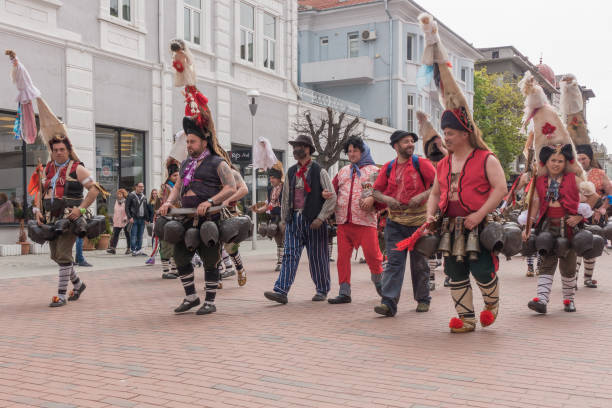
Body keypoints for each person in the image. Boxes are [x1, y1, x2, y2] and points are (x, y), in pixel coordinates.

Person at [158, 116, 236, 315]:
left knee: (211, 259)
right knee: (180, 257)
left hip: (209, 218)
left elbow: (231, 187)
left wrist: (210, 201)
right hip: (185, 217)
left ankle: (210, 301)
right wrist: (168, 202)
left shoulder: (218, 162)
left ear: (203, 142)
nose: (189, 145)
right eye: (187, 142)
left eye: (192, 141)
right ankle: (191, 297)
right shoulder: (185, 164)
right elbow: (177, 187)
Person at [263, 134, 337, 304]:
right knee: (289, 255)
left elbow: (332, 197)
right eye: (295, 146)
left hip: (313, 221)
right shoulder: (290, 172)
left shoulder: (320, 171)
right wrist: (283, 219)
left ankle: (322, 289)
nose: (297, 149)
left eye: (301, 146)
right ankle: (281, 291)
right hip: (294, 220)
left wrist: (321, 217)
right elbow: (285, 197)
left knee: (318, 257)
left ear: (309, 149)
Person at [372, 131, 435, 316]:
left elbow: (439, 185)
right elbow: (375, 192)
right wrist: (388, 200)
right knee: (393, 264)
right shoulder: (388, 167)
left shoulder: (422, 164)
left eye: (411, 141)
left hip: (419, 223)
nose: (410, 144)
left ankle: (423, 299)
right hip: (395, 223)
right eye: (406, 142)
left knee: (420, 264)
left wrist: (422, 196)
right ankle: (388, 303)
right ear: (395, 146)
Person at [33, 134, 100, 307]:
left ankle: (61, 296)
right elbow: (40, 190)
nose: (59, 153)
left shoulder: (77, 168)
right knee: (56, 256)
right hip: (50, 218)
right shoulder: (48, 168)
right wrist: (37, 210)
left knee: (63, 255)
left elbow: (94, 190)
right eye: (55, 150)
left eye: (62, 149)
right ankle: (78, 285)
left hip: (70, 218)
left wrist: (81, 209)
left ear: (68, 150)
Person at [525, 145, 582, 313]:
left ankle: (568, 300)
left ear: (566, 162)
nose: (556, 164)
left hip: (569, 228)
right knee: (546, 261)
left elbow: (591, 198)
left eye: (560, 161)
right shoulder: (540, 180)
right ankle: (541, 300)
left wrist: (579, 216)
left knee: (568, 265)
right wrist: (528, 227)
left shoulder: (574, 178)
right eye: (553, 160)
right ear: (546, 161)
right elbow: (535, 204)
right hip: (547, 226)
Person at [327, 136, 383, 304]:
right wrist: (327, 194)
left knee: (373, 256)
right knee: (342, 258)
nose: (351, 154)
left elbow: (384, 193)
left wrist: (373, 200)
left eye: (355, 151)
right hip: (344, 223)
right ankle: (344, 292)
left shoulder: (374, 171)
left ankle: (382, 286)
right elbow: (332, 189)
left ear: (363, 151)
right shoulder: (343, 171)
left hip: (365, 223)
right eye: (349, 151)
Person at [575, 144, 612, 288]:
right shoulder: (573, 173)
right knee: (577, 245)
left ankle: (588, 278)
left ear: (589, 159)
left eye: (583, 158)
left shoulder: (599, 173)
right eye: (578, 159)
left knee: (592, 244)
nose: (581, 161)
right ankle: (573, 278)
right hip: (577, 215)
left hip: (595, 216)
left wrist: (602, 209)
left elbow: (610, 195)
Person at [218, 166, 249, 287]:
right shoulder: (207, 172)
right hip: (212, 213)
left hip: (229, 213)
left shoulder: (232, 173)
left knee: (230, 246)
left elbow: (244, 189)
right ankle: (218, 276)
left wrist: (228, 200)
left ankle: (240, 269)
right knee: (214, 245)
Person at [252, 162, 285, 271]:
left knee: (282, 232)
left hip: (284, 217)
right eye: (270, 178)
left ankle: (284, 261)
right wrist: (258, 210)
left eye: (273, 178)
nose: (271, 180)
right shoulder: (270, 189)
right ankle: (280, 261)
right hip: (274, 216)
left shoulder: (286, 188)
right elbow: (269, 205)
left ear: (279, 178)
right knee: (274, 235)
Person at [156, 161, 180, 278]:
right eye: (174, 175)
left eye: (178, 175)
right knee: (166, 245)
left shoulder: (177, 187)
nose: (177, 177)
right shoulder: (166, 187)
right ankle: (166, 271)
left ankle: (174, 270)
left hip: (175, 218)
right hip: (166, 219)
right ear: (169, 176)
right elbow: (165, 203)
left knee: (175, 245)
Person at [126, 182, 151, 256]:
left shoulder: (144, 197)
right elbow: (126, 208)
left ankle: (139, 250)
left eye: (143, 187)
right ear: (136, 187)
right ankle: (133, 250)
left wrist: (147, 219)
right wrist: (129, 217)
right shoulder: (131, 196)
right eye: (140, 187)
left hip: (142, 219)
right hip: (134, 219)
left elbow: (146, 209)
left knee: (140, 235)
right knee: (133, 235)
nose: (142, 188)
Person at [107, 189, 131, 255]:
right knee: (115, 235)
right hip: (117, 221)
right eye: (118, 194)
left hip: (125, 221)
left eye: (120, 194)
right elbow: (115, 211)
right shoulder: (116, 202)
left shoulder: (126, 202)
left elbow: (128, 211)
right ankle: (113, 249)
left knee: (128, 235)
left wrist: (126, 218)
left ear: (123, 195)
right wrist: (114, 219)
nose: (119, 195)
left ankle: (129, 248)